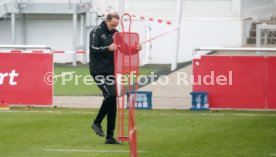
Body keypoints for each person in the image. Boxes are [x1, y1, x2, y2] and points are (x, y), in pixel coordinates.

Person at [89, 13, 142, 144]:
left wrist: (136, 49)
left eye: (116, 25)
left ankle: (110, 137)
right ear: (107, 21)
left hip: (110, 71)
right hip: (98, 70)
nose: (114, 27)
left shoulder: (116, 34)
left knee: (112, 101)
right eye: (112, 25)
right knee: (111, 94)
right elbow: (93, 48)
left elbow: (124, 49)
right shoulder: (96, 31)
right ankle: (96, 123)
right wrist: (108, 48)